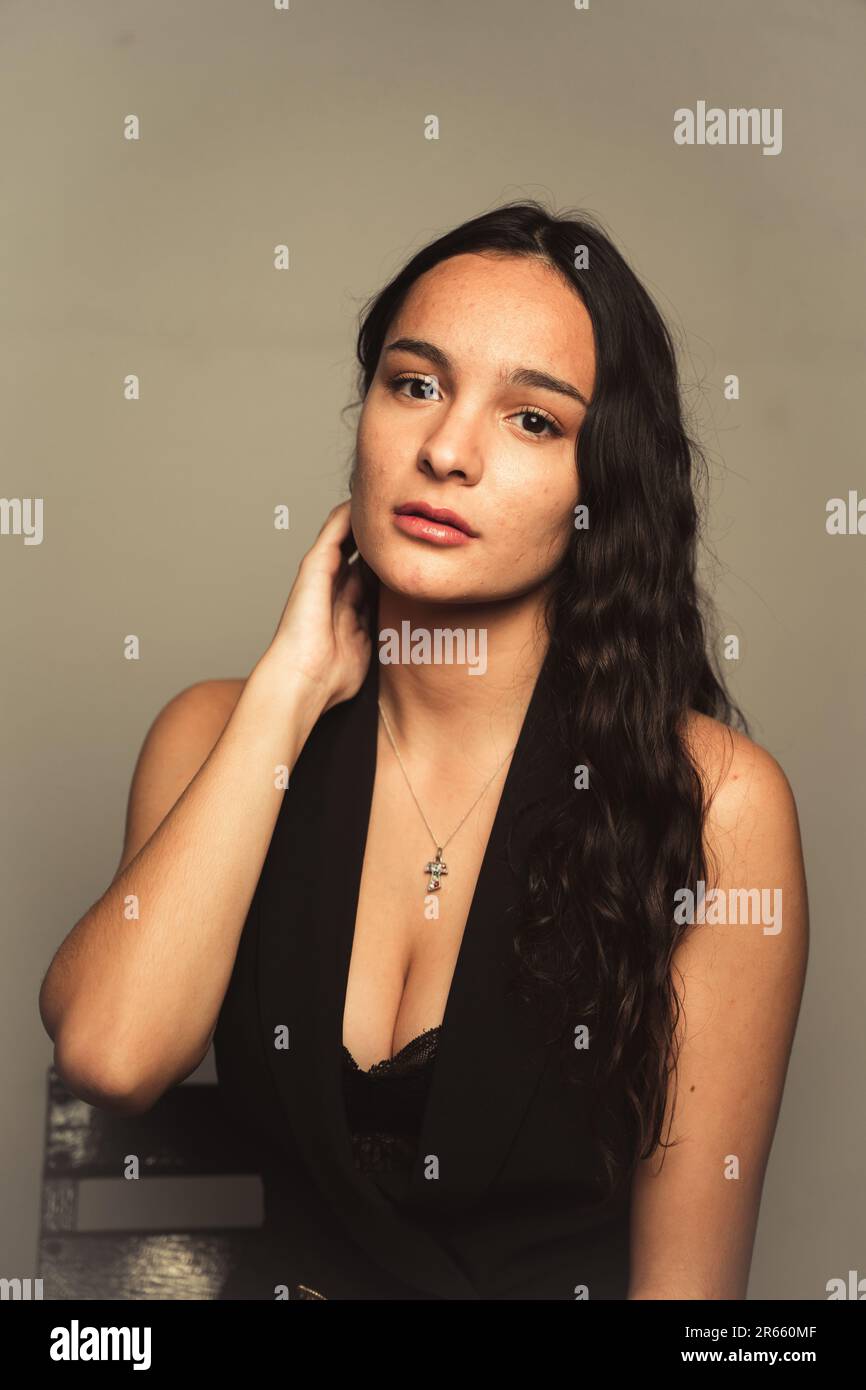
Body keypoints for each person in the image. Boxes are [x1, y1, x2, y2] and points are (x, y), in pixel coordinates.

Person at [38, 201, 809, 1300]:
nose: (446, 450)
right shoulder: (219, 732)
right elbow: (111, 1056)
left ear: (603, 488)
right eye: (415, 385)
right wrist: (289, 686)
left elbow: (685, 1306)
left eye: (531, 421)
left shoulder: (711, 800)